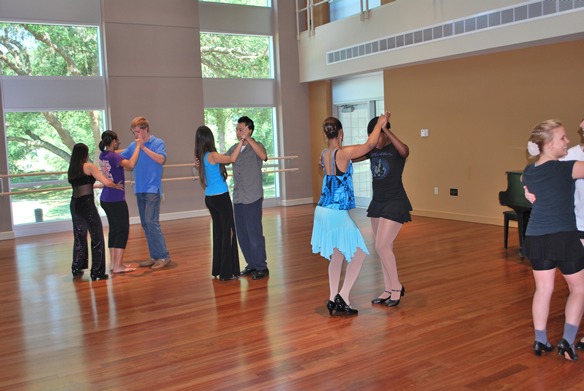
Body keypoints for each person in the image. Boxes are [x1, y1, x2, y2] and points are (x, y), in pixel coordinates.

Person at [312, 113, 389, 315]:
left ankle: (332, 299)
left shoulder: (324, 154)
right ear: (341, 133)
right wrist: (380, 124)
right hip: (336, 212)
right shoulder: (342, 153)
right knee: (360, 253)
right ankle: (343, 296)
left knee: (337, 255)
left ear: (325, 134)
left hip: (322, 210)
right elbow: (369, 145)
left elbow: (361, 155)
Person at [522, 119, 584, 361]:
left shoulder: (528, 172)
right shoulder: (565, 168)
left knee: (543, 290)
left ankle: (540, 341)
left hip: (536, 238)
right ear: (548, 145)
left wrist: (529, 191)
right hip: (564, 237)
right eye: (562, 138)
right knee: (578, 289)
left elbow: (523, 183)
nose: (567, 141)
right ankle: (567, 342)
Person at [361, 116, 411, 307]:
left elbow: (405, 151)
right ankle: (388, 289)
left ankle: (397, 287)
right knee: (384, 248)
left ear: (385, 133)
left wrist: (385, 128)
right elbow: (353, 157)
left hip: (395, 202)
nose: (375, 142)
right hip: (378, 203)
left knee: (381, 247)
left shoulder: (395, 148)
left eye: (377, 136)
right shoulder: (373, 149)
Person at [194, 125, 245, 280]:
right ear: (210, 138)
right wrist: (242, 141)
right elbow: (232, 159)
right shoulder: (212, 155)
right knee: (228, 232)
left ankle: (219, 269)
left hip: (210, 198)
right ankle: (226, 272)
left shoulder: (202, 157)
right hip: (221, 197)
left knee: (219, 232)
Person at [121, 117, 171, 270]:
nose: (136, 135)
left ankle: (163, 256)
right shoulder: (132, 146)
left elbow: (161, 159)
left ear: (145, 129)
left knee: (152, 222)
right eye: (134, 132)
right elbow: (122, 157)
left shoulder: (158, 143)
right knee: (145, 224)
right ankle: (154, 255)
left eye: (137, 132)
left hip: (152, 189)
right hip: (140, 189)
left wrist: (143, 148)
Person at [68, 143, 123, 281]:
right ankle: (97, 271)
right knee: (97, 237)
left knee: (79, 236)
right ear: (85, 154)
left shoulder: (73, 168)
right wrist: (115, 186)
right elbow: (106, 181)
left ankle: (77, 266)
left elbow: (82, 184)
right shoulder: (89, 166)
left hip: (74, 204)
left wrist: (97, 185)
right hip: (87, 205)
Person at [225, 116, 269, 280]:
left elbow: (264, 156)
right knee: (242, 234)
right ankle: (251, 265)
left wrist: (248, 139)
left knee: (254, 233)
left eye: (241, 129)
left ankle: (261, 267)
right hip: (238, 198)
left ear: (249, 130)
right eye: (237, 129)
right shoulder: (234, 148)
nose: (238, 132)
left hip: (253, 197)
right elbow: (224, 160)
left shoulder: (257, 146)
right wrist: (205, 161)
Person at [98, 130, 141, 273]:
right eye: (117, 141)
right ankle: (118, 265)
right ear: (114, 141)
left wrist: (132, 147)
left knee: (114, 231)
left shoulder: (103, 155)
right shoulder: (115, 157)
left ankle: (113, 264)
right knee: (122, 231)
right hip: (116, 199)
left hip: (106, 198)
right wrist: (139, 147)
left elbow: (119, 152)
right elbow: (130, 164)